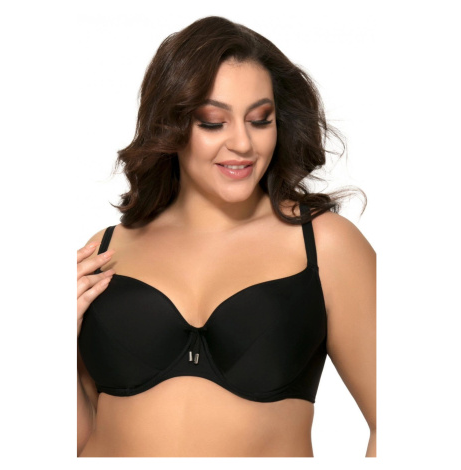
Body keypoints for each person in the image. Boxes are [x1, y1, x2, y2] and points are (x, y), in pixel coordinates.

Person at [76, 16, 376, 457]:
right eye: (213, 122)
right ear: (171, 126)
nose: (243, 143)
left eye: (260, 120)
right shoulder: (105, 249)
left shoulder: (324, 245)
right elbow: (80, 438)